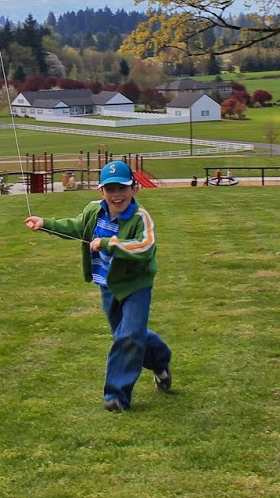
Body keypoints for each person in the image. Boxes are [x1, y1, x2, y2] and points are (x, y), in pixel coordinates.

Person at [25, 159, 172, 412]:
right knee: (127, 335)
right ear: (101, 191)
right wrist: (45, 223)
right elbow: (75, 227)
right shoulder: (94, 211)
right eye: (110, 189)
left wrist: (108, 243)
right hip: (107, 287)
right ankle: (160, 361)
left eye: (122, 188)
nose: (117, 195)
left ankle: (116, 397)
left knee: (128, 336)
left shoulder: (140, 217)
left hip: (136, 286)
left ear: (134, 189)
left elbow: (144, 247)